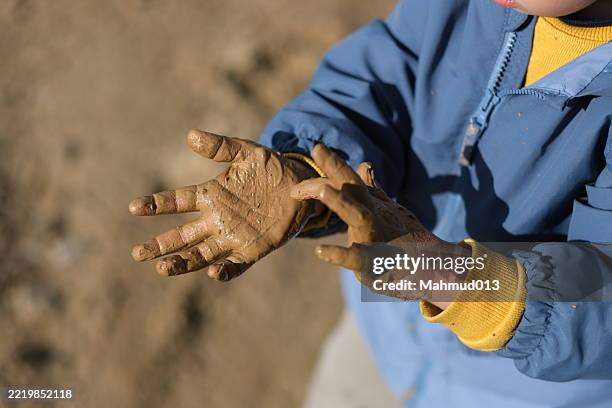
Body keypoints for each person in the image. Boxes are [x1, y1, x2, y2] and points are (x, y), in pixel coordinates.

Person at [129, 0, 612, 406]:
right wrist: (308, 171)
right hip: (386, 335)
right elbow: (385, 79)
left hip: (515, 392)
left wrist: (443, 274)